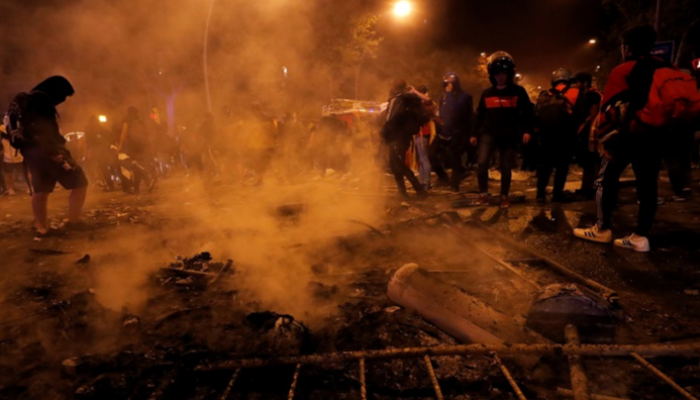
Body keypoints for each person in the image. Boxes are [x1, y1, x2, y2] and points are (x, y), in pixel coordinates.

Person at [574, 25, 666, 252]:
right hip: (655, 136)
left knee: (605, 180)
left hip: (627, 136)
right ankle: (640, 237)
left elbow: (610, 109)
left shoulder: (622, 71)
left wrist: (606, 141)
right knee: (647, 185)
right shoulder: (664, 67)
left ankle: (602, 229)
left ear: (627, 48)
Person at [4, 76, 88, 237]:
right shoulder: (40, 99)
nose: (63, 100)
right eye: (64, 95)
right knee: (80, 182)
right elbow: (43, 129)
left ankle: (42, 229)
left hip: (31, 153)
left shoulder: (26, 102)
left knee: (41, 190)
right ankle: (74, 222)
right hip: (48, 151)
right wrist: (54, 153)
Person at [472, 52, 534, 209]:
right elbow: (480, 115)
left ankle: (504, 196)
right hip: (489, 133)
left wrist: (527, 131)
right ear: (492, 75)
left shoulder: (518, 92)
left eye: (503, 74)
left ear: (509, 74)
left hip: (508, 134)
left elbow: (527, 112)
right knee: (482, 162)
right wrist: (474, 134)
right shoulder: (487, 94)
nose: (500, 77)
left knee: (505, 166)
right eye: (497, 74)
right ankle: (483, 194)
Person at [534, 68, 580, 203]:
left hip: (546, 136)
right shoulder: (575, 92)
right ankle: (557, 194)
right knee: (562, 166)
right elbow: (580, 114)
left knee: (546, 166)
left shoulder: (545, 95)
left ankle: (540, 194)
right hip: (565, 135)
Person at [382, 79, 429, 199]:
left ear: (394, 88)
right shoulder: (407, 100)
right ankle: (402, 192)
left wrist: (384, 133)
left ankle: (419, 190)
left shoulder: (397, 100)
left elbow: (392, 118)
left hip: (396, 137)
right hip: (404, 137)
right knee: (396, 164)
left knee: (399, 164)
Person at [429, 73, 473, 192]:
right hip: (444, 131)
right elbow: (444, 113)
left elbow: (456, 111)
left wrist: (470, 133)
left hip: (457, 131)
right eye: (446, 83)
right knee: (431, 154)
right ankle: (444, 177)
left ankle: (454, 184)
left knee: (454, 157)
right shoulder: (443, 97)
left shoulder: (464, 97)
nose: (447, 86)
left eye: (450, 83)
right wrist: (438, 119)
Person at [571, 72, 603, 200]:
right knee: (589, 161)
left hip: (592, 132)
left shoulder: (592, 95)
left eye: (577, 82)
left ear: (585, 83)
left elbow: (593, 112)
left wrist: (583, 126)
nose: (575, 85)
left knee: (591, 161)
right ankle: (587, 188)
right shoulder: (587, 94)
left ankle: (589, 189)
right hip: (589, 131)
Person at [118, 106, 156, 193]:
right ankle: (137, 187)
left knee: (133, 164)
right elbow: (147, 134)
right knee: (138, 164)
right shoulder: (140, 120)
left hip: (133, 145)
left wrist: (120, 145)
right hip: (143, 146)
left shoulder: (126, 119)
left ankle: (147, 179)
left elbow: (124, 133)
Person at [83, 115, 116, 191]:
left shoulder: (90, 131)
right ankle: (112, 183)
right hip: (107, 150)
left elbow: (89, 143)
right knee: (110, 166)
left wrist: (87, 152)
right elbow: (111, 138)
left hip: (98, 152)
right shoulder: (103, 129)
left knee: (103, 168)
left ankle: (110, 185)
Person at [414, 85, 437, 190]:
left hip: (422, 133)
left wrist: (415, 92)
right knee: (420, 159)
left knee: (423, 158)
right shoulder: (421, 104)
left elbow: (429, 100)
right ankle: (422, 181)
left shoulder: (426, 104)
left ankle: (426, 182)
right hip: (419, 134)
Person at [1, 124, 25, 195]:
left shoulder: (16, 138)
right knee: (9, 174)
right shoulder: (2, 140)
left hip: (20, 158)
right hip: (8, 159)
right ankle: (10, 188)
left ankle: (29, 187)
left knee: (24, 173)